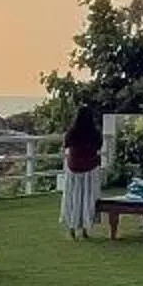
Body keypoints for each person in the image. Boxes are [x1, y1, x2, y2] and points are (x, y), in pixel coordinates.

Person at [59, 102, 105, 238]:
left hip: (73, 166)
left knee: (72, 197)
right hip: (90, 167)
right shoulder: (95, 132)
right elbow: (98, 147)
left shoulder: (72, 132)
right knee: (88, 198)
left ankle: (72, 228)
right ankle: (85, 228)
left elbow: (66, 144)